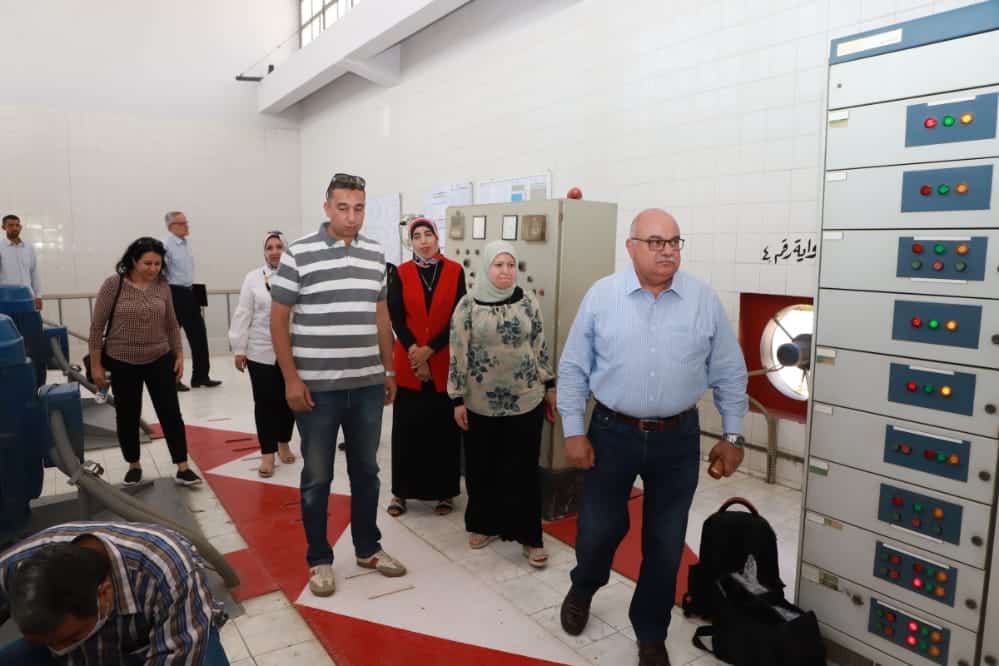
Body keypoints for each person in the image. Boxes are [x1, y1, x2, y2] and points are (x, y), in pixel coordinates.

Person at [556, 209, 748, 666]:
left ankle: (650, 632)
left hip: (677, 439)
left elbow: (728, 370)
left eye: (674, 242)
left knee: (665, 541)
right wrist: (574, 430)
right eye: (656, 242)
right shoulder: (603, 296)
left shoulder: (702, 300)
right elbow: (574, 367)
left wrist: (733, 435)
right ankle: (584, 586)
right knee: (599, 529)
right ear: (631, 247)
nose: (667, 251)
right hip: (611, 433)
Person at [270, 172, 406, 598]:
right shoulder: (299, 253)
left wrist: (388, 371)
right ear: (327, 207)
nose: (352, 216)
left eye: (359, 208)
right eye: (343, 207)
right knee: (317, 476)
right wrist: (291, 379)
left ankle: (368, 548)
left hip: (366, 385)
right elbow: (278, 319)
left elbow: (381, 316)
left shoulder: (375, 253)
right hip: (317, 389)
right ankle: (319, 558)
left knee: (367, 472)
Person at [447, 240, 556, 568]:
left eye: (511, 265)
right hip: (481, 401)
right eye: (499, 265)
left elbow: (539, 344)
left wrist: (549, 385)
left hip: (526, 398)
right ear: (486, 268)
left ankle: (530, 536)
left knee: (523, 469)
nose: (506, 271)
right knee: (482, 466)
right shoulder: (468, 305)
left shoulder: (528, 301)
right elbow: (458, 353)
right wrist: (457, 398)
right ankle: (484, 524)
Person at [0, 521, 229, 665]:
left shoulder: (167, 569)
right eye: (51, 643)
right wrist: (51, 643)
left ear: (104, 592)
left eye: (71, 639)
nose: (60, 652)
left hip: (159, 637)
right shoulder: (13, 565)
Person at [88, 237, 202, 488]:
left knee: (171, 413)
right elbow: (96, 328)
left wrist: (179, 354)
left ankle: (182, 466)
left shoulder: (162, 286)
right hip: (122, 361)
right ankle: (134, 465)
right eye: (147, 263)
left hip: (159, 358)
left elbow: (171, 324)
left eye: (157, 264)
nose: (153, 269)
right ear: (133, 261)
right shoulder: (113, 285)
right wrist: (96, 366)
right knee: (127, 415)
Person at [385, 218, 466, 518]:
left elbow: (458, 316)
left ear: (436, 237)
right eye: (417, 236)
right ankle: (401, 493)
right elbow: (396, 317)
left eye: (428, 234)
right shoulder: (400, 272)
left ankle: (444, 491)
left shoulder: (455, 271)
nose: (423, 240)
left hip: (443, 359)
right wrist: (415, 354)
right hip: (409, 362)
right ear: (411, 242)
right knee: (407, 430)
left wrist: (429, 351)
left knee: (442, 431)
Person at [228, 231, 297, 478]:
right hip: (260, 350)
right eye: (270, 247)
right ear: (264, 252)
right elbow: (244, 312)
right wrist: (239, 348)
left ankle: (283, 442)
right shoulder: (253, 278)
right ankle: (267, 453)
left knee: (289, 400)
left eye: (279, 246)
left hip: (291, 350)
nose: (275, 251)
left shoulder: (297, 275)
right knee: (265, 403)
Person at [163, 211, 220, 391]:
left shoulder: (185, 244)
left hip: (189, 292)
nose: (186, 226)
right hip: (175, 292)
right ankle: (172, 379)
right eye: (182, 223)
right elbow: (161, 272)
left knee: (199, 335)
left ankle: (201, 376)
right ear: (171, 227)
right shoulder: (166, 246)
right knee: (172, 338)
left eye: (186, 222)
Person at [0, 214, 42, 310]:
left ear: (20, 227)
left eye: (17, 225)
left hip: (28, 298)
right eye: (10, 225)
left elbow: (34, 273)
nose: (14, 228)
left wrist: (38, 296)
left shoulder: (28, 248)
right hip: (6, 299)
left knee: (30, 321)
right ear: (3, 227)